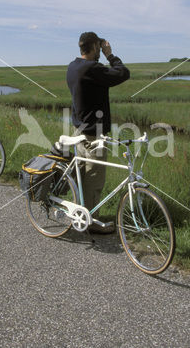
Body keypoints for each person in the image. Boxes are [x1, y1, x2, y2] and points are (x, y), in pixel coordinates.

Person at [66, 32, 130, 233]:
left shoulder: (73, 66)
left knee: (83, 176)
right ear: (94, 46)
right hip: (94, 133)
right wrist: (110, 55)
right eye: (99, 47)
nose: (100, 51)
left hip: (79, 130)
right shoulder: (92, 68)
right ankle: (91, 222)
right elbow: (123, 73)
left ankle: (80, 214)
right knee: (94, 178)